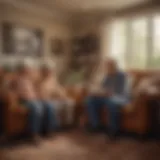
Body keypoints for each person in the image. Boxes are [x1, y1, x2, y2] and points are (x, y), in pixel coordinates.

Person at [85, 58, 129, 139]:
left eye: (109, 66)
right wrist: (97, 93)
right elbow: (103, 89)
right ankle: (95, 125)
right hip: (108, 96)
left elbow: (119, 91)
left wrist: (107, 93)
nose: (107, 69)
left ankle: (113, 130)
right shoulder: (107, 76)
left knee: (111, 103)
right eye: (106, 67)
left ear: (114, 66)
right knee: (90, 100)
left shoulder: (121, 75)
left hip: (120, 97)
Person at [14, 60, 45, 142]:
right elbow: (18, 92)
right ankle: (33, 134)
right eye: (27, 68)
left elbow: (33, 91)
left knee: (43, 105)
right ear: (22, 69)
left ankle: (41, 131)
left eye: (29, 68)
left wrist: (36, 96)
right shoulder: (17, 78)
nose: (29, 70)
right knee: (36, 107)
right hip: (23, 100)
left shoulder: (29, 79)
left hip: (32, 100)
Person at [39, 63, 75, 129]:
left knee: (69, 102)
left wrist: (63, 95)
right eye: (47, 70)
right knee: (55, 106)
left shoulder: (53, 79)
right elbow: (42, 94)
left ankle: (67, 123)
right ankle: (55, 125)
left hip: (56, 98)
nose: (49, 72)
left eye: (50, 70)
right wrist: (52, 95)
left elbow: (58, 88)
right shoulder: (40, 80)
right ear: (43, 71)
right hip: (48, 100)